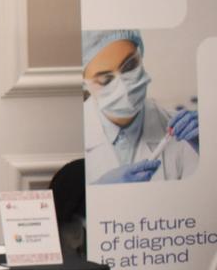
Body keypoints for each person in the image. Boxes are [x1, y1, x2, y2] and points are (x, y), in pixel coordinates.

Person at [82, 30, 199, 184]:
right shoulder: (77, 133)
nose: (123, 88)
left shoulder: (182, 134)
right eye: (105, 79)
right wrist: (98, 191)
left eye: (130, 66)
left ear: (140, 56)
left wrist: (207, 149)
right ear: (85, 84)